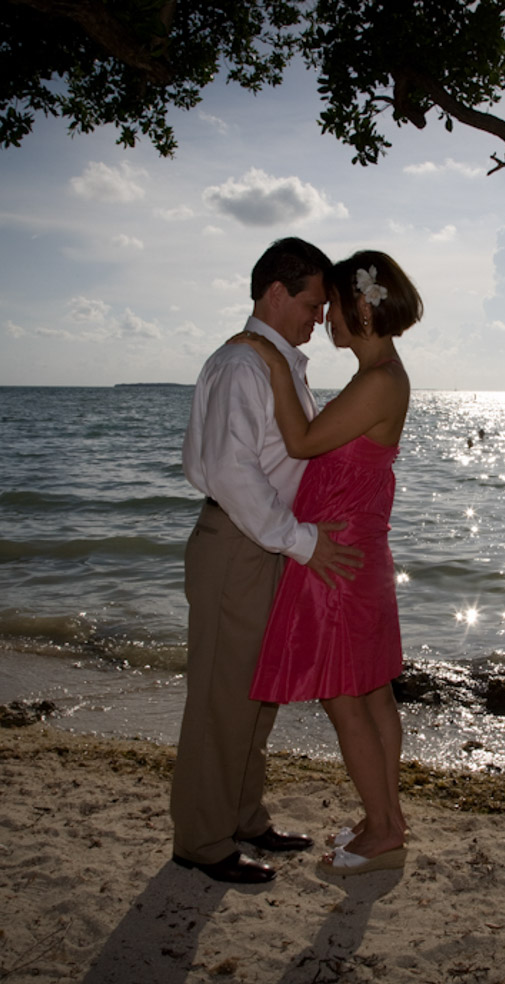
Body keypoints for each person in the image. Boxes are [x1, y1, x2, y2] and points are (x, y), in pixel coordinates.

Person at [169, 237, 364, 885]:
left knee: (255, 696)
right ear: (276, 294)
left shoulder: (274, 364)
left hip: (265, 546)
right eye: (313, 304)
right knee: (222, 699)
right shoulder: (244, 368)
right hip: (240, 547)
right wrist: (306, 542)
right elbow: (233, 472)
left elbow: (290, 458)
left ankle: (243, 817)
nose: (318, 318)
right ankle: (202, 839)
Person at [237, 250, 420, 877]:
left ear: (361, 306)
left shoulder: (378, 382)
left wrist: (269, 358)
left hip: (339, 564)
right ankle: (385, 819)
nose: (325, 318)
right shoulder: (382, 375)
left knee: (347, 699)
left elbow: (303, 442)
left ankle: (385, 829)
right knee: (371, 694)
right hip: (354, 555)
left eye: (333, 306)